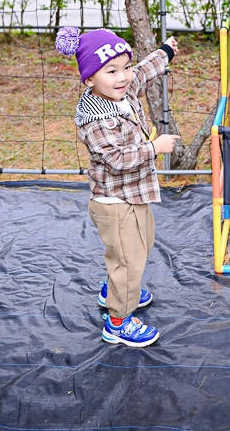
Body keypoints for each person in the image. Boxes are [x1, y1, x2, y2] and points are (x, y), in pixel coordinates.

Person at [56, 26, 181, 347]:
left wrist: (164, 53)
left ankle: (115, 288)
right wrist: (155, 148)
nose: (122, 76)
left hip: (134, 193)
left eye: (124, 66)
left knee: (140, 245)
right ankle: (118, 320)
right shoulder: (96, 120)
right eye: (111, 71)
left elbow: (142, 73)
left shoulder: (120, 92)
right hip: (114, 202)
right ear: (89, 80)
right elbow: (118, 159)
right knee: (129, 260)